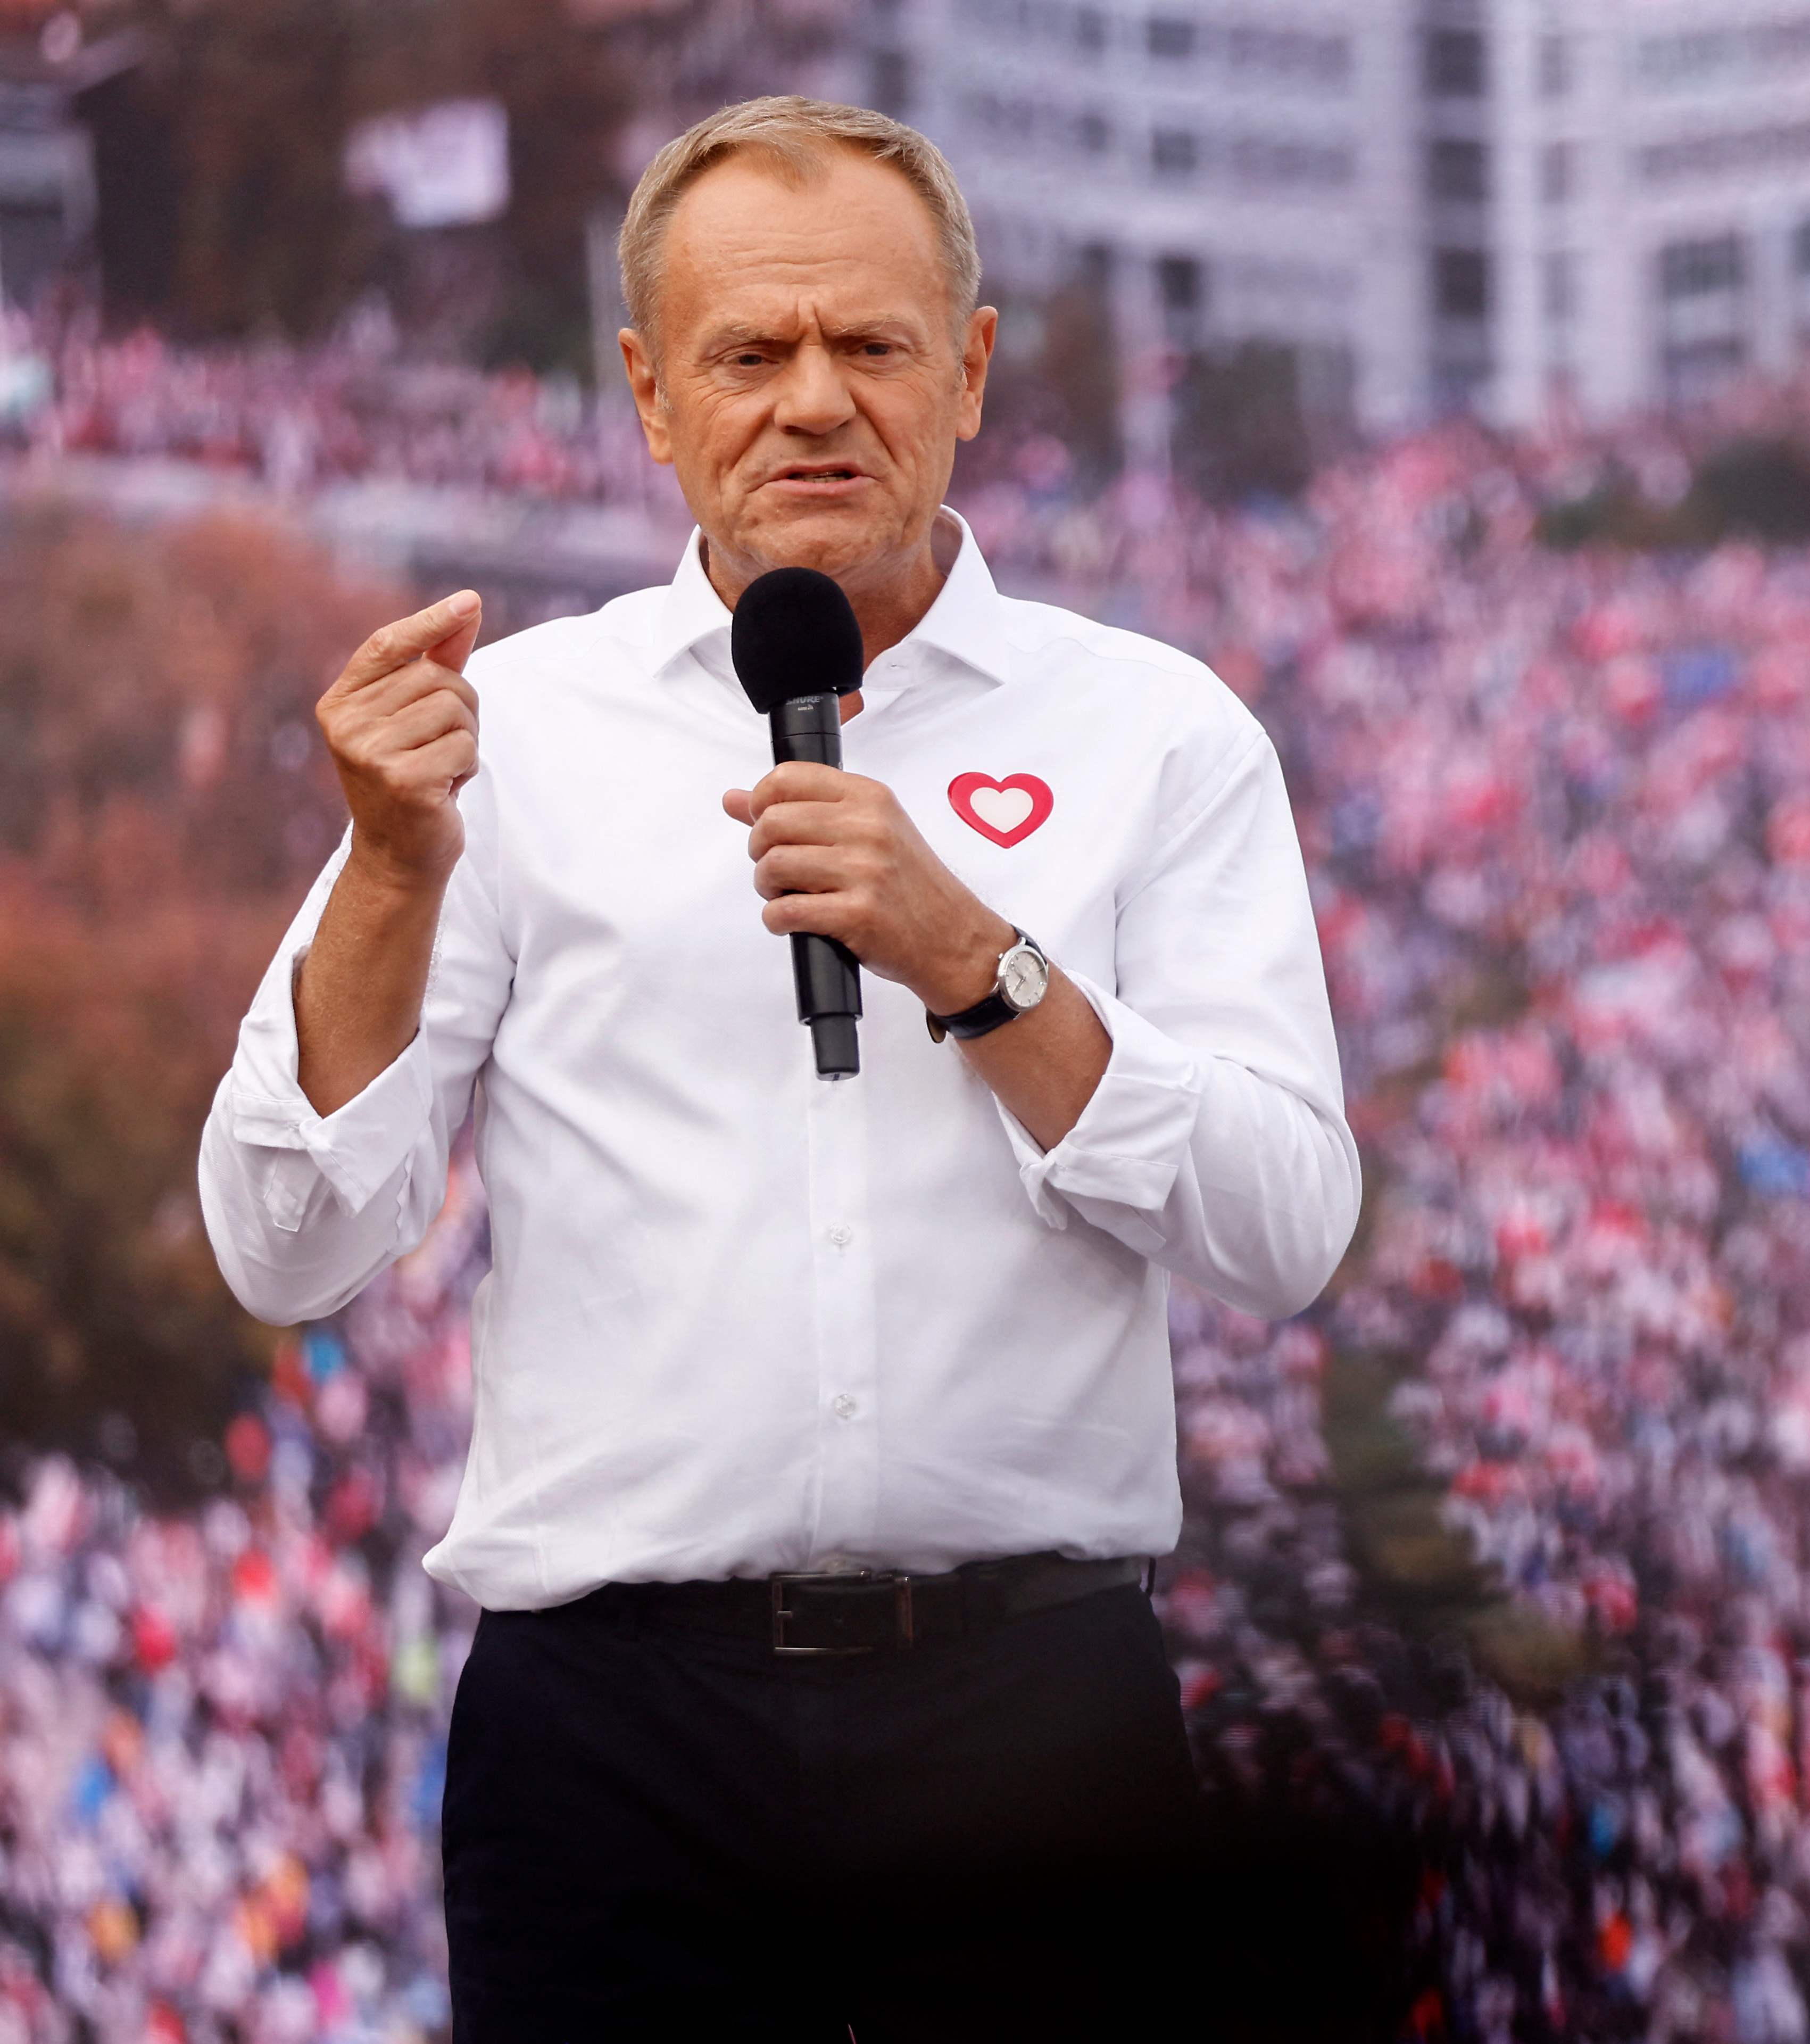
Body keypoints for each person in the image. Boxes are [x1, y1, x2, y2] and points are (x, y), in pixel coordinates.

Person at [195, 96, 1360, 2039]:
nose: (813, 401)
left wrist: (982, 968)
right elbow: (285, 1241)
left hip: (1034, 1720)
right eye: (750, 353)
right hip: (615, 1740)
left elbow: (1288, 1227)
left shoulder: (1158, 733)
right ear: (652, 397)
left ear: (968, 371)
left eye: (872, 345)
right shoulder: (520, 732)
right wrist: (395, 871)